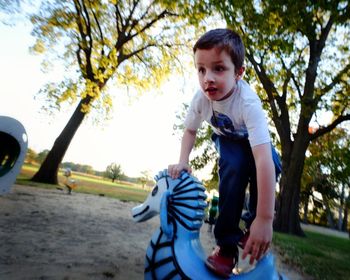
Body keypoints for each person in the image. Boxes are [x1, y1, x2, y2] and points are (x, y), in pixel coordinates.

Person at [168, 28, 281, 278]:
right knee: (232, 164)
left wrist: (264, 218)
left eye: (218, 68)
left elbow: (262, 157)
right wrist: (183, 162)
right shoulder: (201, 99)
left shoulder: (248, 103)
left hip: (253, 144)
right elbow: (189, 130)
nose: (207, 77)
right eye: (201, 69)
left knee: (272, 161)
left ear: (238, 73)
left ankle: (252, 225)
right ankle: (227, 248)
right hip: (227, 141)